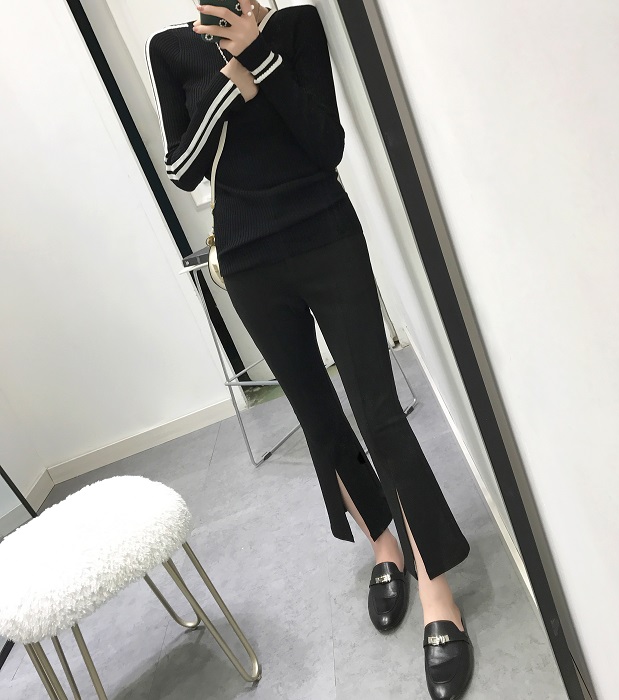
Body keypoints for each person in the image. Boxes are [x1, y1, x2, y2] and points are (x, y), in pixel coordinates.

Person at [146, 2, 473, 697]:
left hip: (327, 237)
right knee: (319, 420)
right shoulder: (169, 50)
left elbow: (326, 146)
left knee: (378, 413)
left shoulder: (296, 26)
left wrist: (260, 56)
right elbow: (182, 168)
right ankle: (383, 544)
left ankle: (434, 585)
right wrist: (232, 80)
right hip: (249, 262)